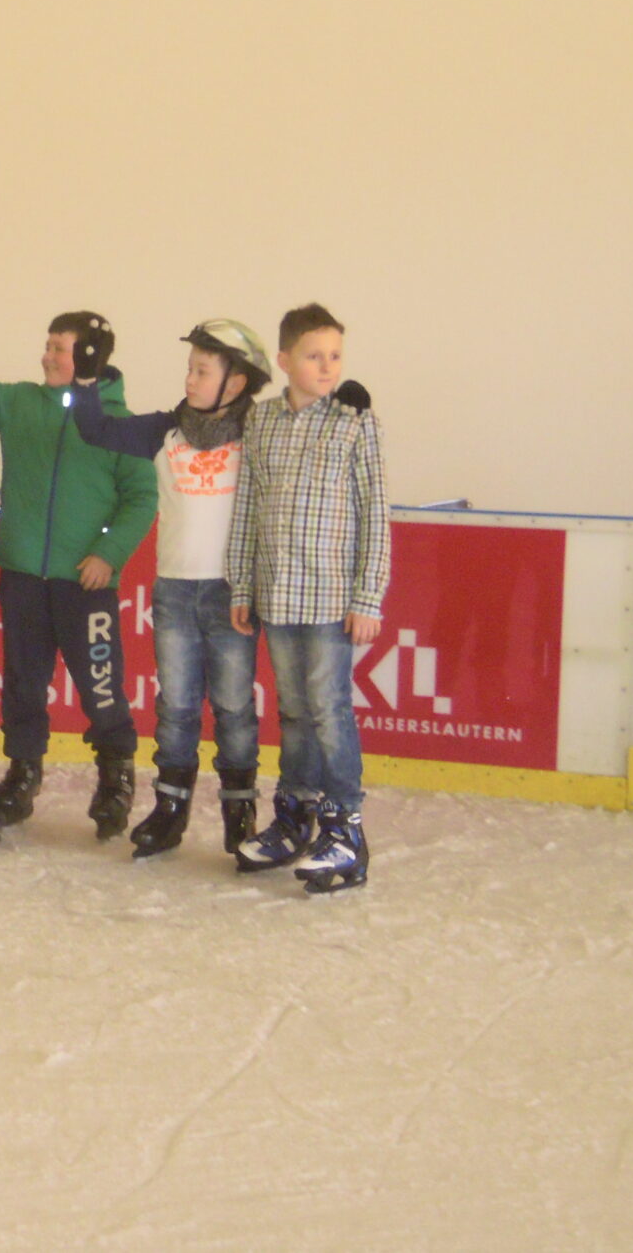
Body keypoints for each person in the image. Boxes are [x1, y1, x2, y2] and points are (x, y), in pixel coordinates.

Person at [0, 312, 156, 837]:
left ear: (88, 357)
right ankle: (22, 774)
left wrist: (108, 553)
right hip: (22, 580)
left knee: (100, 687)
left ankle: (115, 778)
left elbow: (142, 498)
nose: (47, 355)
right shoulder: (22, 403)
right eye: (48, 344)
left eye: (59, 348)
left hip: (85, 586)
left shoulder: (119, 425)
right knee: (22, 685)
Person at [71, 319, 272, 859]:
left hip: (233, 595)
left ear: (235, 382)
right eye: (190, 368)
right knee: (177, 707)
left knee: (232, 708)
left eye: (202, 370)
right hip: (175, 593)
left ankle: (240, 810)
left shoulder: (261, 433)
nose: (189, 378)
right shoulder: (166, 431)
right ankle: (170, 808)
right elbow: (95, 430)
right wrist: (86, 381)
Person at [226, 303, 389, 894]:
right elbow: (246, 507)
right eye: (315, 356)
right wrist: (242, 584)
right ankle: (295, 814)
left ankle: (345, 826)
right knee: (292, 712)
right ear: (286, 360)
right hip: (278, 594)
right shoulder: (262, 422)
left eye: (336, 356)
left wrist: (369, 596)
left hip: (329, 598)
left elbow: (375, 512)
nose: (327, 366)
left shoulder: (353, 421)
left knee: (328, 709)